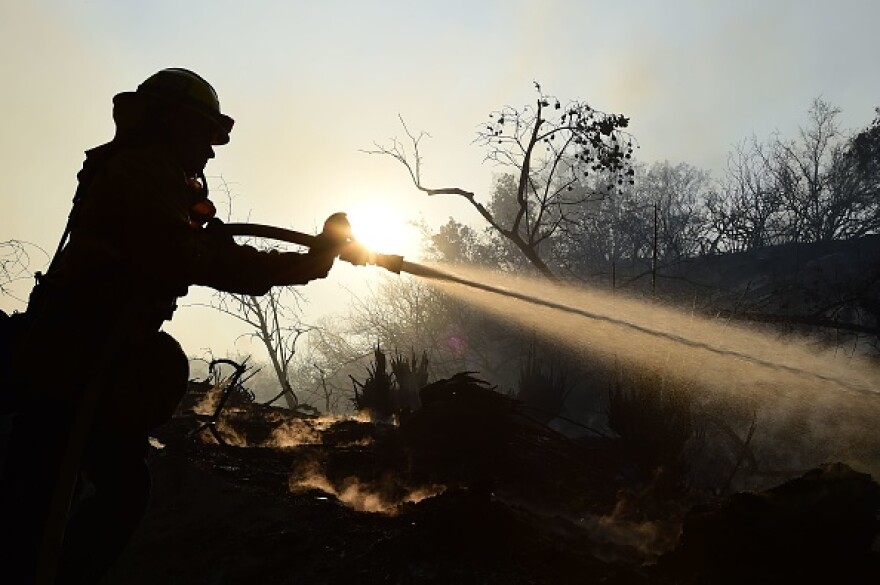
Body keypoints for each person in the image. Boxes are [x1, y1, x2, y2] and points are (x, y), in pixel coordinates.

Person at [0, 68, 344, 583]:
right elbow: (190, 258)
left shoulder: (156, 180)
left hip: (90, 362)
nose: (208, 153)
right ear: (169, 124)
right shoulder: (142, 171)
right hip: (71, 364)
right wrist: (302, 266)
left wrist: (307, 260)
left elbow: (208, 249)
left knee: (102, 493)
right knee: (41, 509)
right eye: (202, 137)